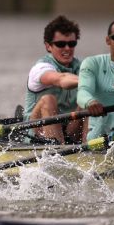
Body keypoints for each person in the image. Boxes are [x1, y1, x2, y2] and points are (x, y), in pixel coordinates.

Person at [25, 15, 84, 143]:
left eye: (72, 43)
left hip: (70, 130)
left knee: (88, 101)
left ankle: (91, 150)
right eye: (61, 44)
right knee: (48, 100)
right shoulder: (41, 68)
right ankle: (55, 151)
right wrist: (89, 81)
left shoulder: (83, 67)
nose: (67, 48)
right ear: (48, 46)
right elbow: (61, 79)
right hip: (38, 133)